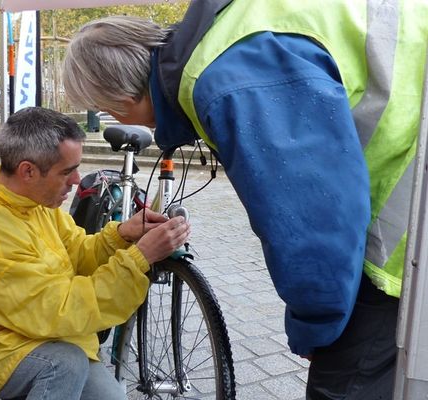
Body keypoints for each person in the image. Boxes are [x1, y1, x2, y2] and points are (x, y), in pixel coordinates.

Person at [61, 1, 428, 399]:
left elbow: (313, 225)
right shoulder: (223, 35)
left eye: (108, 109)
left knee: (345, 381)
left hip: (405, 220)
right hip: (406, 176)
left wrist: (316, 328)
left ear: (118, 99)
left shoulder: (229, 82)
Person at [0, 106, 190, 400]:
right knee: (65, 364)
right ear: (27, 171)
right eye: (67, 171)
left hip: (34, 328)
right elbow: (59, 308)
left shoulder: (33, 201)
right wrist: (139, 257)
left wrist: (121, 235)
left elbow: (77, 253)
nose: (78, 180)